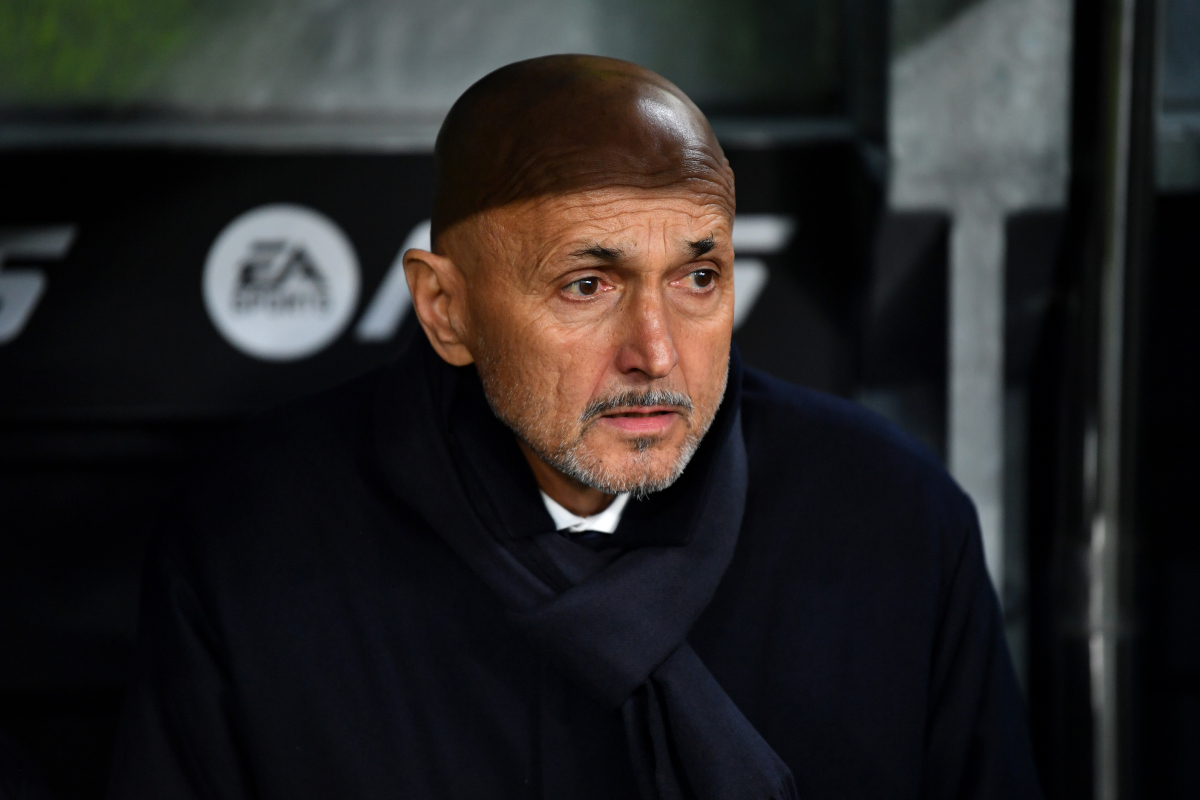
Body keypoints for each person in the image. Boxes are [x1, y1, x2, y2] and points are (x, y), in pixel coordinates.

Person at [109, 55, 1041, 799]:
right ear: (446, 309)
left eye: (698, 277)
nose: (656, 353)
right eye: (586, 285)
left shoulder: (894, 525)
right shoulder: (253, 542)